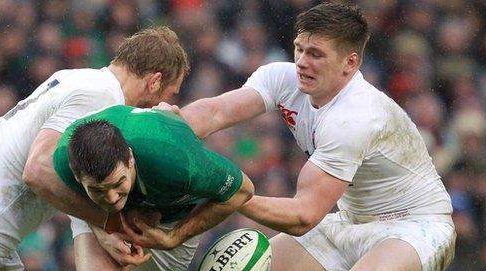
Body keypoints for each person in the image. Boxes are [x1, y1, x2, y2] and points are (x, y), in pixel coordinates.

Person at [154, 3, 455, 271]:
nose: (301, 61)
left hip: (413, 228)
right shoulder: (282, 77)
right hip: (347, 223)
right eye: (299, 48)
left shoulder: (355, 118)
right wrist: (167, 124)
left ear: (350, 63)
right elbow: (215, 113)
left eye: (316, 54)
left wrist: (227, 192)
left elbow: (303, 216)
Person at [0, 26, 189, 270]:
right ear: (154, 81)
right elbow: (38, 170)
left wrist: (102, 229)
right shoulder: (100, 98)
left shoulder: (76, 77)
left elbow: (67, 174)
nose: (164, 103)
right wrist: (109, 222)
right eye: (169, 92)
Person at [52, 104, 254, 270]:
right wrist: (102, 230)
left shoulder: (178, 164)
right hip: (101, 210)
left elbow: (242, 190)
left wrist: (173, 238)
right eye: (97, 189)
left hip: (174, 217)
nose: (112, 198)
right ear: (77, 176)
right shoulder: (64, 161)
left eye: (118, 183)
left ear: (130, 157)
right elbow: (42, 181)